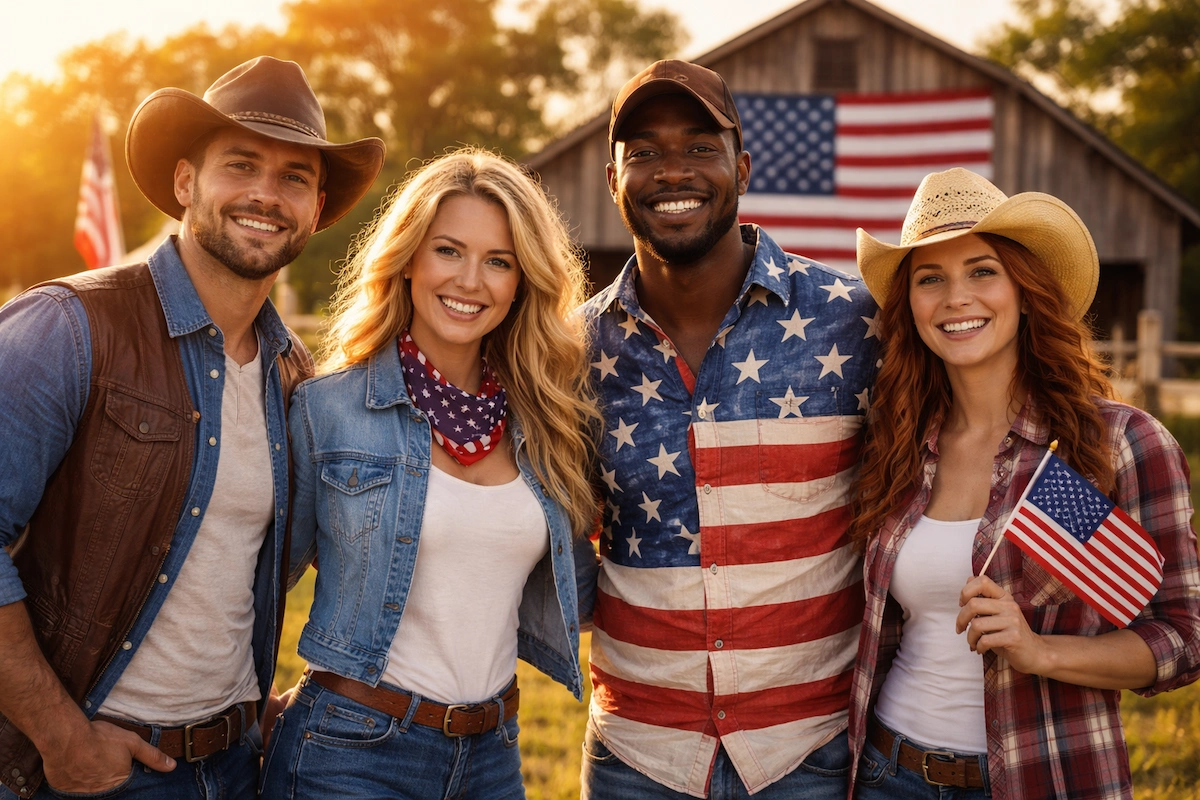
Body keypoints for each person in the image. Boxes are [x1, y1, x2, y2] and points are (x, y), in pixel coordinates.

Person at [0, 57, 384, 799]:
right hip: (92, 771)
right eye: (240, 164)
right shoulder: (70, 328)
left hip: (236, 766)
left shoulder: (292, 373)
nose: (265, 195)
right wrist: (61, 736)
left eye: (294, 178)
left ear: (316, 209)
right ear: (185, 183)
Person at [846, 167, 1200, 799]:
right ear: (912, 307)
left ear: (1026, 290)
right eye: (931, 278)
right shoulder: (896, 445)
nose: (957, 298)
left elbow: (1183, 635)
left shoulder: (1111, 445)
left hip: (1046, 775)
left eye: (982, 270)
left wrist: (1043, 652)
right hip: (885, 772)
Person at [577, 60, 878, 800]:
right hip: (638, 751)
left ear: (741, 166)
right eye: (643, 152)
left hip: (808, 750)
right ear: (613, 179)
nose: (672, 170)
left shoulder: (854, 317)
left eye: (699, 148)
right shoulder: (570, 349)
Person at [258, 147, 599, 800]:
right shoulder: (328, 409)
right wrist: (252, 711)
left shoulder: (548, 423)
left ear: (522, 280)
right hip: (350, 752)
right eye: (449, 250)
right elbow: (258, 588)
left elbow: (580, 593)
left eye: (498, 261)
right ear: (410, 257)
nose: (471, 280)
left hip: (493, 755)